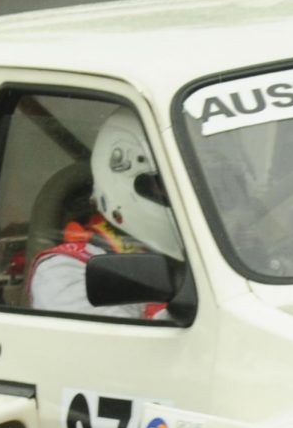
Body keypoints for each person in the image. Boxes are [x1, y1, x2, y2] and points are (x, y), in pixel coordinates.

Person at [30, 112, 181, 319]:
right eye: (169, 186)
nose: (185, 195)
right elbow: (117, 348)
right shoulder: (65, 270)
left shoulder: (213, 246)